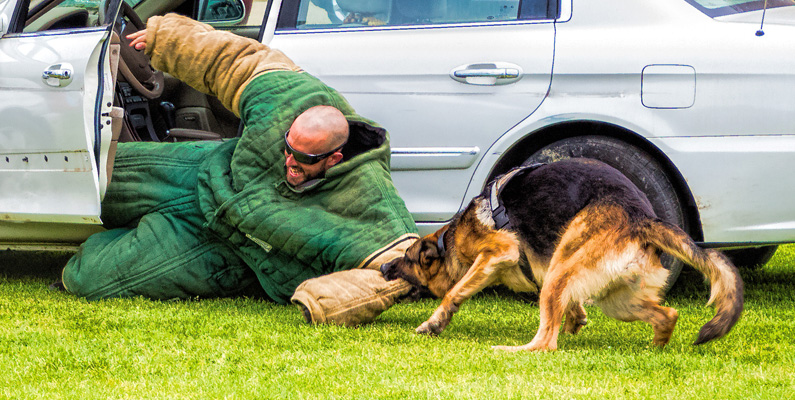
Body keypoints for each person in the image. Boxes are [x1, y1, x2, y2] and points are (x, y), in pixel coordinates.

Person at [59, 13, 418, 304]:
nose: (290, 161)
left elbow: (413, 268)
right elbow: (237, 61)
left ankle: (114, 241)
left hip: (229, 249)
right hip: (206, 172)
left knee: (89, 279)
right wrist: (166, 37)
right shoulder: (289, 97)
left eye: (304, 158)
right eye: (287, 148)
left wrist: (331, 300)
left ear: (334, 158)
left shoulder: (370, 198)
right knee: (88, 173)